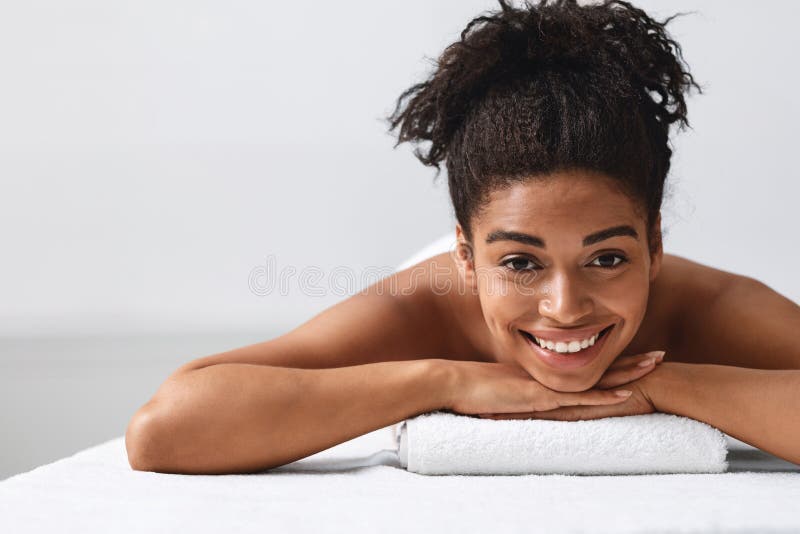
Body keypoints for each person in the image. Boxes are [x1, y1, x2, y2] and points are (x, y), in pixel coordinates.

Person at [125, 0, 800, 474]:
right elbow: (164, 428)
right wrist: (445, 382)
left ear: (654, 245)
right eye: (519, 261)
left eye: (606, 257)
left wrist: (667, 387)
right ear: (465, 255)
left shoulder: (702, 309)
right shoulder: (420, 309)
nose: (565, 305)